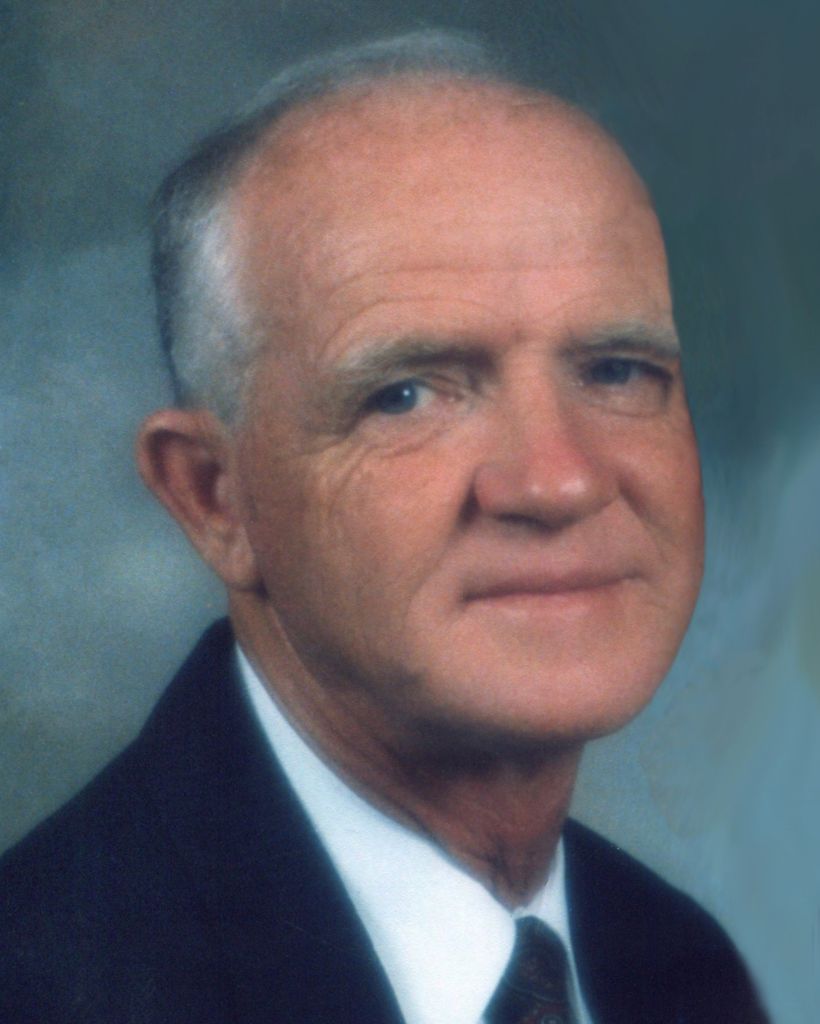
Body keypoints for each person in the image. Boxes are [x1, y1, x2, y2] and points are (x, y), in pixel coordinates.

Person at [0, 30, 768, 1024]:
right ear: (214, 497)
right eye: (407, 394)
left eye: (616, 371)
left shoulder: (682, 971)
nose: (560, 481)